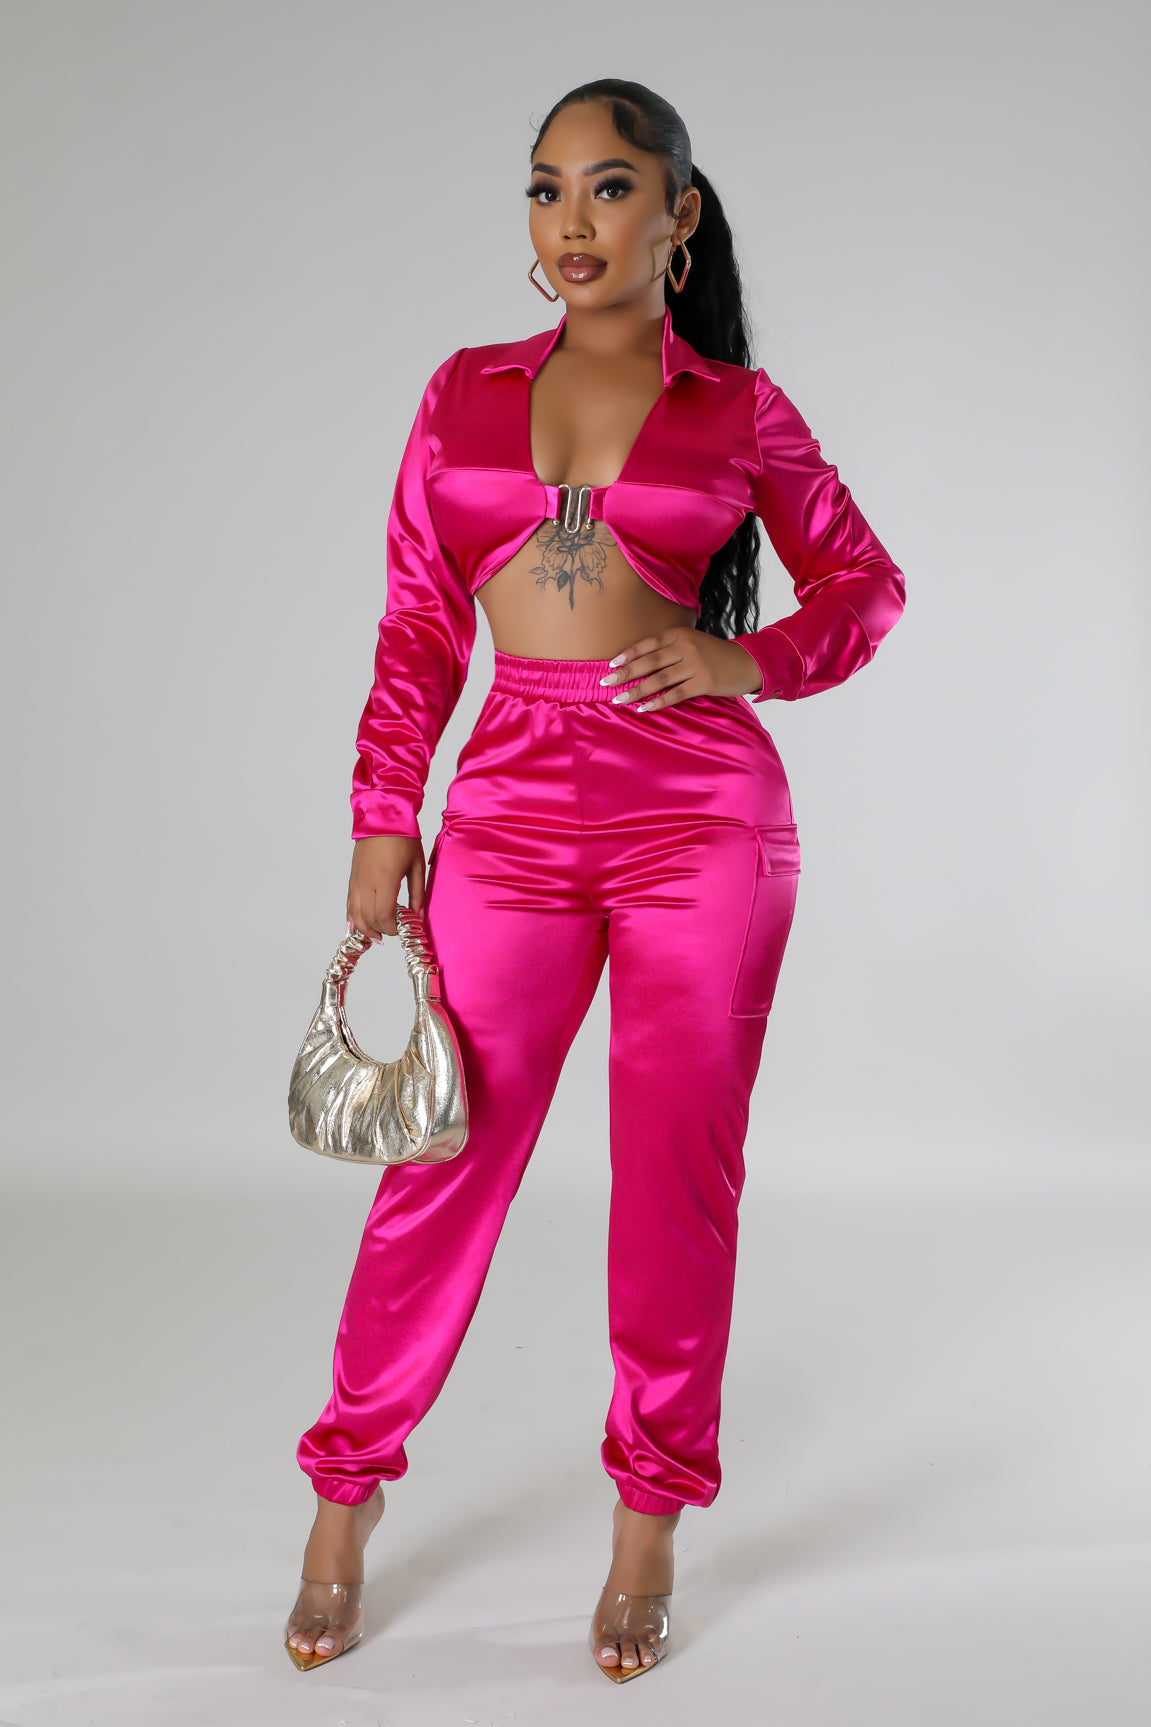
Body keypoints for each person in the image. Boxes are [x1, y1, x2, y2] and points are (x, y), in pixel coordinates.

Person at [284, 77, 905, 1682]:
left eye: (612, 188)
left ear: (678, 218)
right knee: (444, 1155)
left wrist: (742, 659)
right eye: (546, 188)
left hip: (700, 819)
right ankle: (346, 1488)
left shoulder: (740, 409)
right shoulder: (464, 390)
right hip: (508, 809)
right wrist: (383, 813)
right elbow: (420, 622)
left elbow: (865, 585)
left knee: (674, 1176)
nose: (573, 220)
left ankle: (649, 1517)